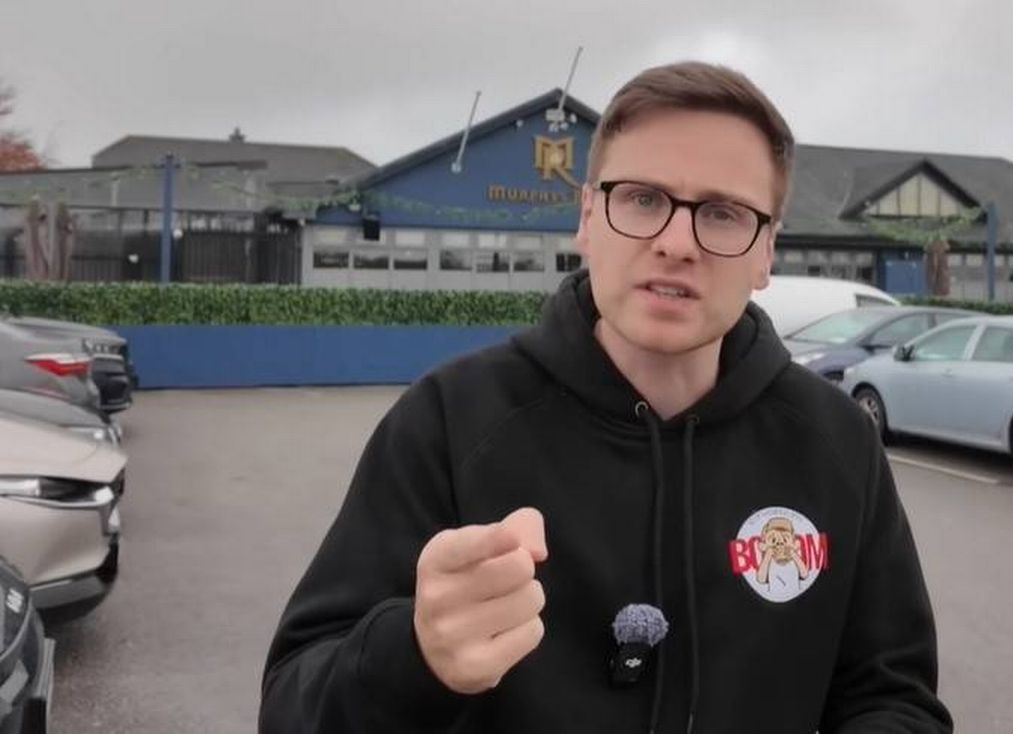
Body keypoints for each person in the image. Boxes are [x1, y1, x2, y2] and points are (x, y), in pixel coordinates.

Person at [260, 61, 953, 733]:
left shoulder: (837, 442)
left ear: (766, 249)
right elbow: (292, 705)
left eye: (721, 213)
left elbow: (893, 697)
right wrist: (413, 655)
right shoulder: (450, 420)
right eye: (644, 199)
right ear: (588, 217)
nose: (677, 243)